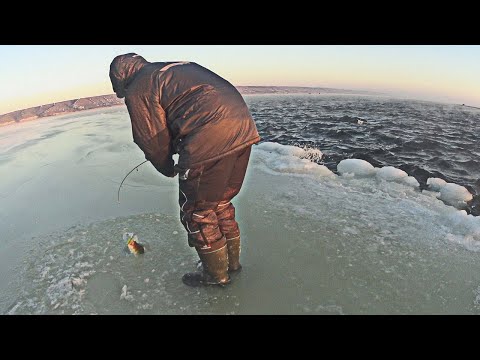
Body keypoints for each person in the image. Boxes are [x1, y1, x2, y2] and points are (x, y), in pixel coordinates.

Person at [109, 53, 260, 287]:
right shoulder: (170, 69)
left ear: (120, 79)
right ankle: (231, 265)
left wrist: (167, 166)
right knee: (219, 204)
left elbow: (150, 137)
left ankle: (216, 276)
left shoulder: (139, 85)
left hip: (209, 136)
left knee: (198, 212)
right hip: (243, 127)